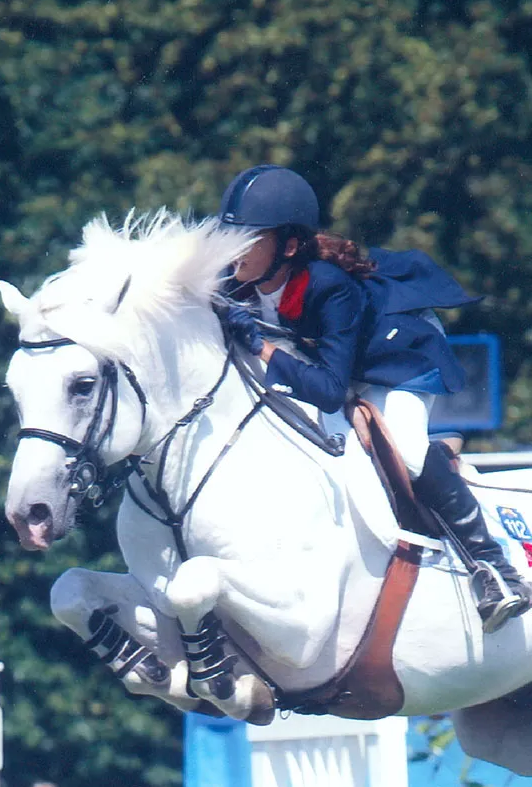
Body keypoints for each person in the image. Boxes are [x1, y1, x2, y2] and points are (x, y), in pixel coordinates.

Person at [216, 163, 532, 633]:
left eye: (250, 238)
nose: (234, 250)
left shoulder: (329, 288)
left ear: (288, 245)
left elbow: (326, 391)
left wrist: (261, 346)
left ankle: (493, 568)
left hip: (397, 356)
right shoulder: (236, 278)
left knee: (403, 451)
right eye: (230, 236)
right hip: (333, 361)